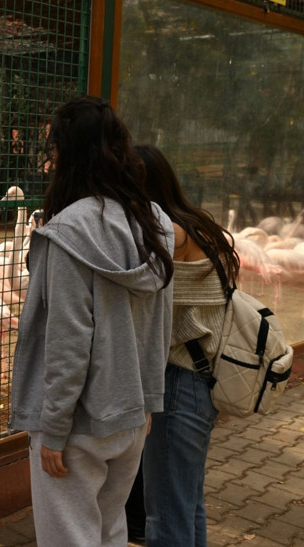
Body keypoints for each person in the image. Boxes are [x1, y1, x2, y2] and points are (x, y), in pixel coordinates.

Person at [10, 96, 175, 546]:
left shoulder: (66, 234)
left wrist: (54, 430)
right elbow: (159, 322)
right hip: (131, 417)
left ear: (66, 154)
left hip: (78, 426)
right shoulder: (156, 224)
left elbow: (67, 343)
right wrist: (147, 402)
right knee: (109, 531)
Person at [137, 143, 239, 546]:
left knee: (166, 516)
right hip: (201, 381)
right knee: (187, 503)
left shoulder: (171, 235)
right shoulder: (197, 225)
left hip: (178, 384)